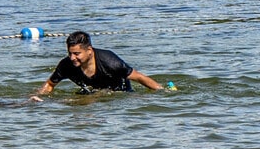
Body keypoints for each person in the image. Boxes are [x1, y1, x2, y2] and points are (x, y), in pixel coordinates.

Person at [32, 31, 163, 98]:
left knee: (90, 99)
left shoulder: (111, 62)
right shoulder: (66, 65)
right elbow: (50, 84)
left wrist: (162, 92)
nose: (72, 58)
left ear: (89, 51)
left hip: (118, 95)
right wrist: (37, 98)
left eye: (77, 54)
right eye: (70, 53)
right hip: (91, 92)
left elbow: (139, 77)